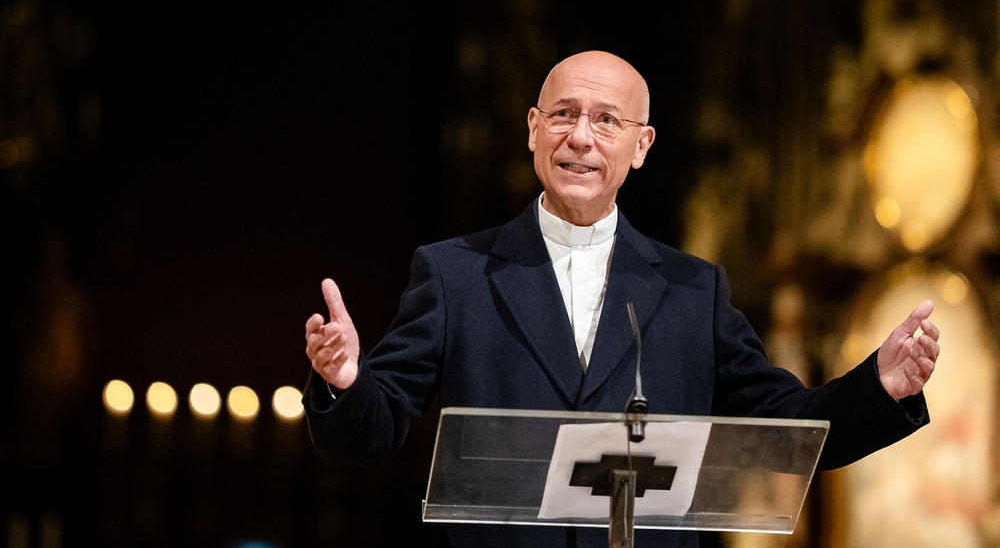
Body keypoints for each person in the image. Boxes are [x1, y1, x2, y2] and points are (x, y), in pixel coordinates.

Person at [302, 51, 941, 548]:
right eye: (563, 114)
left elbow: (786, 431)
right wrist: (346, 381)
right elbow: (374, 430)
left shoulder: (693, 290)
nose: (581, 137)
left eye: (607, 120)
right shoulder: (454, 274)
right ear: (533, 130)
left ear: (641, 146)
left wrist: (880, 387)